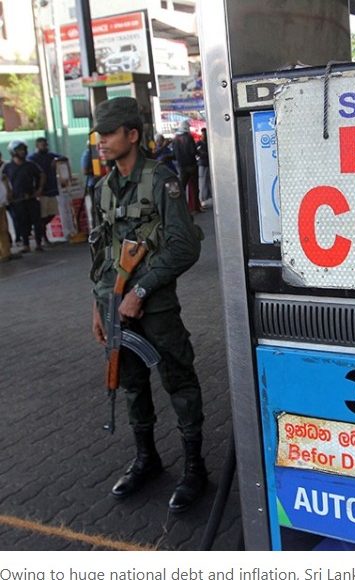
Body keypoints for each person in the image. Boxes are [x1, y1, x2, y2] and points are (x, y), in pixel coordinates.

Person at [89, 97, 207, 512]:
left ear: (133, 135)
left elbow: (184, 246)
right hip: (114, 304)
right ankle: (147, 459)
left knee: (178, 379)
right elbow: (100, 253)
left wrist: (140, 292)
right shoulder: (103, 189)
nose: (101, 141)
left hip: (154, 308)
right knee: (131, 384)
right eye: (99, 134)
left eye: (109, 134)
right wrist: (98, 305)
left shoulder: (161, 181)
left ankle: (195, 468)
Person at [2, 140, 45, 252]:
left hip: (31, 197)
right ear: (13, 152)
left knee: (37, 221)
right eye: (20, 150)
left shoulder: (30, 165)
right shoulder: (8, 167)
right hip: (17, 199)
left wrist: (39, 189)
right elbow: (4, 179)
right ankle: (26, 245)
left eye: (24, 149)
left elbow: (41, 174)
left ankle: (39, 243)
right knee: (22, 222)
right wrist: (8, 192)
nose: (23, 152)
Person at [28, 137, 67, 244]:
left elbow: (64, 158)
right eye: (42, 145)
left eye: (46, 145)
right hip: (41, 191)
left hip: (51, 189)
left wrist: (56, 160)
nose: (45, 147)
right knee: (42, 214)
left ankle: (41, 229)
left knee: (52, 213)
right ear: (37, 146)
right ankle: (43, 236)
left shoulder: (50, 156)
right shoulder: (32, 158)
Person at [172, 120, 201, 213]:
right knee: (195, 187)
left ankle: (181, 209)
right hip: (192, 165)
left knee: (182, 188)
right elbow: (193, 151)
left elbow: (174, 154)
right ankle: (195, 207)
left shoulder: (175, 139)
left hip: (182, 167)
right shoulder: (189, 137)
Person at [0, 152, 13, 262]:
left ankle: (6, 252)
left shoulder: (4, 168)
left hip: (1, 203)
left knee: (3, 229)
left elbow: (5, 183)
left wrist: (8, 194)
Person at [196, 127, 211, 209]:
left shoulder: (206, 143)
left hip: (205, 163)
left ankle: (206, 197)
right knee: (204, 181)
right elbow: (196, 152)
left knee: (205, 181)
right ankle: (203, 198)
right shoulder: (200, 143)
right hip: (203, 163)